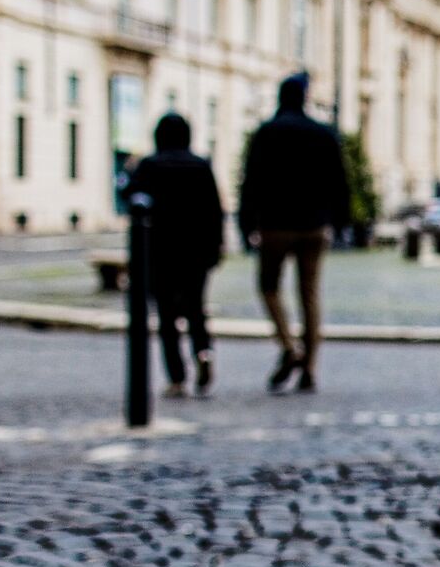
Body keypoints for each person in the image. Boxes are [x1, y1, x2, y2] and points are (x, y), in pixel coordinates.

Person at [239, 72, 348, 393]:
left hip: (275, 224)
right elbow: (338, 181)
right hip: (314, 225)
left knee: (268, 288)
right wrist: (340, 223)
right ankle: (310, 366)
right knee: (310, 294)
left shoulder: (266, 133)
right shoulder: (322, 134)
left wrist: (246, 224)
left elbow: (251, 182)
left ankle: (289, 346)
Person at [123, 113, 224, 398]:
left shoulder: (150, 165)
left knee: (167, 315)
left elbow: (131, 198)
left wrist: (131, 171)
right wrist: (216, 247)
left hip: (161, 252)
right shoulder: (201, 165)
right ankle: (203, 353)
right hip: (196, 250)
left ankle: (177, 377)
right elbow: (214, 210)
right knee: (196, 308)